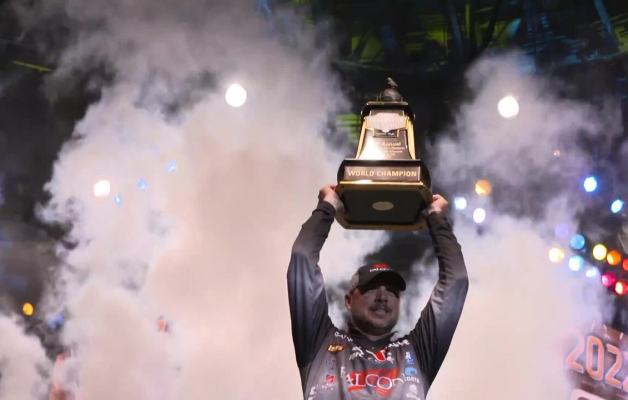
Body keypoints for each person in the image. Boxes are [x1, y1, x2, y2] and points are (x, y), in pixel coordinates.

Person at [288, 184, 468, 400]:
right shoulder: (319, 342)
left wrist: (435, 216)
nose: (383, 296)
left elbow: (457, 280)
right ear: (349, 300)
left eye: (392, 291)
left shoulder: (418, 352)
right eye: (371, 287)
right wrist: (328, 206)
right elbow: (302, 258)